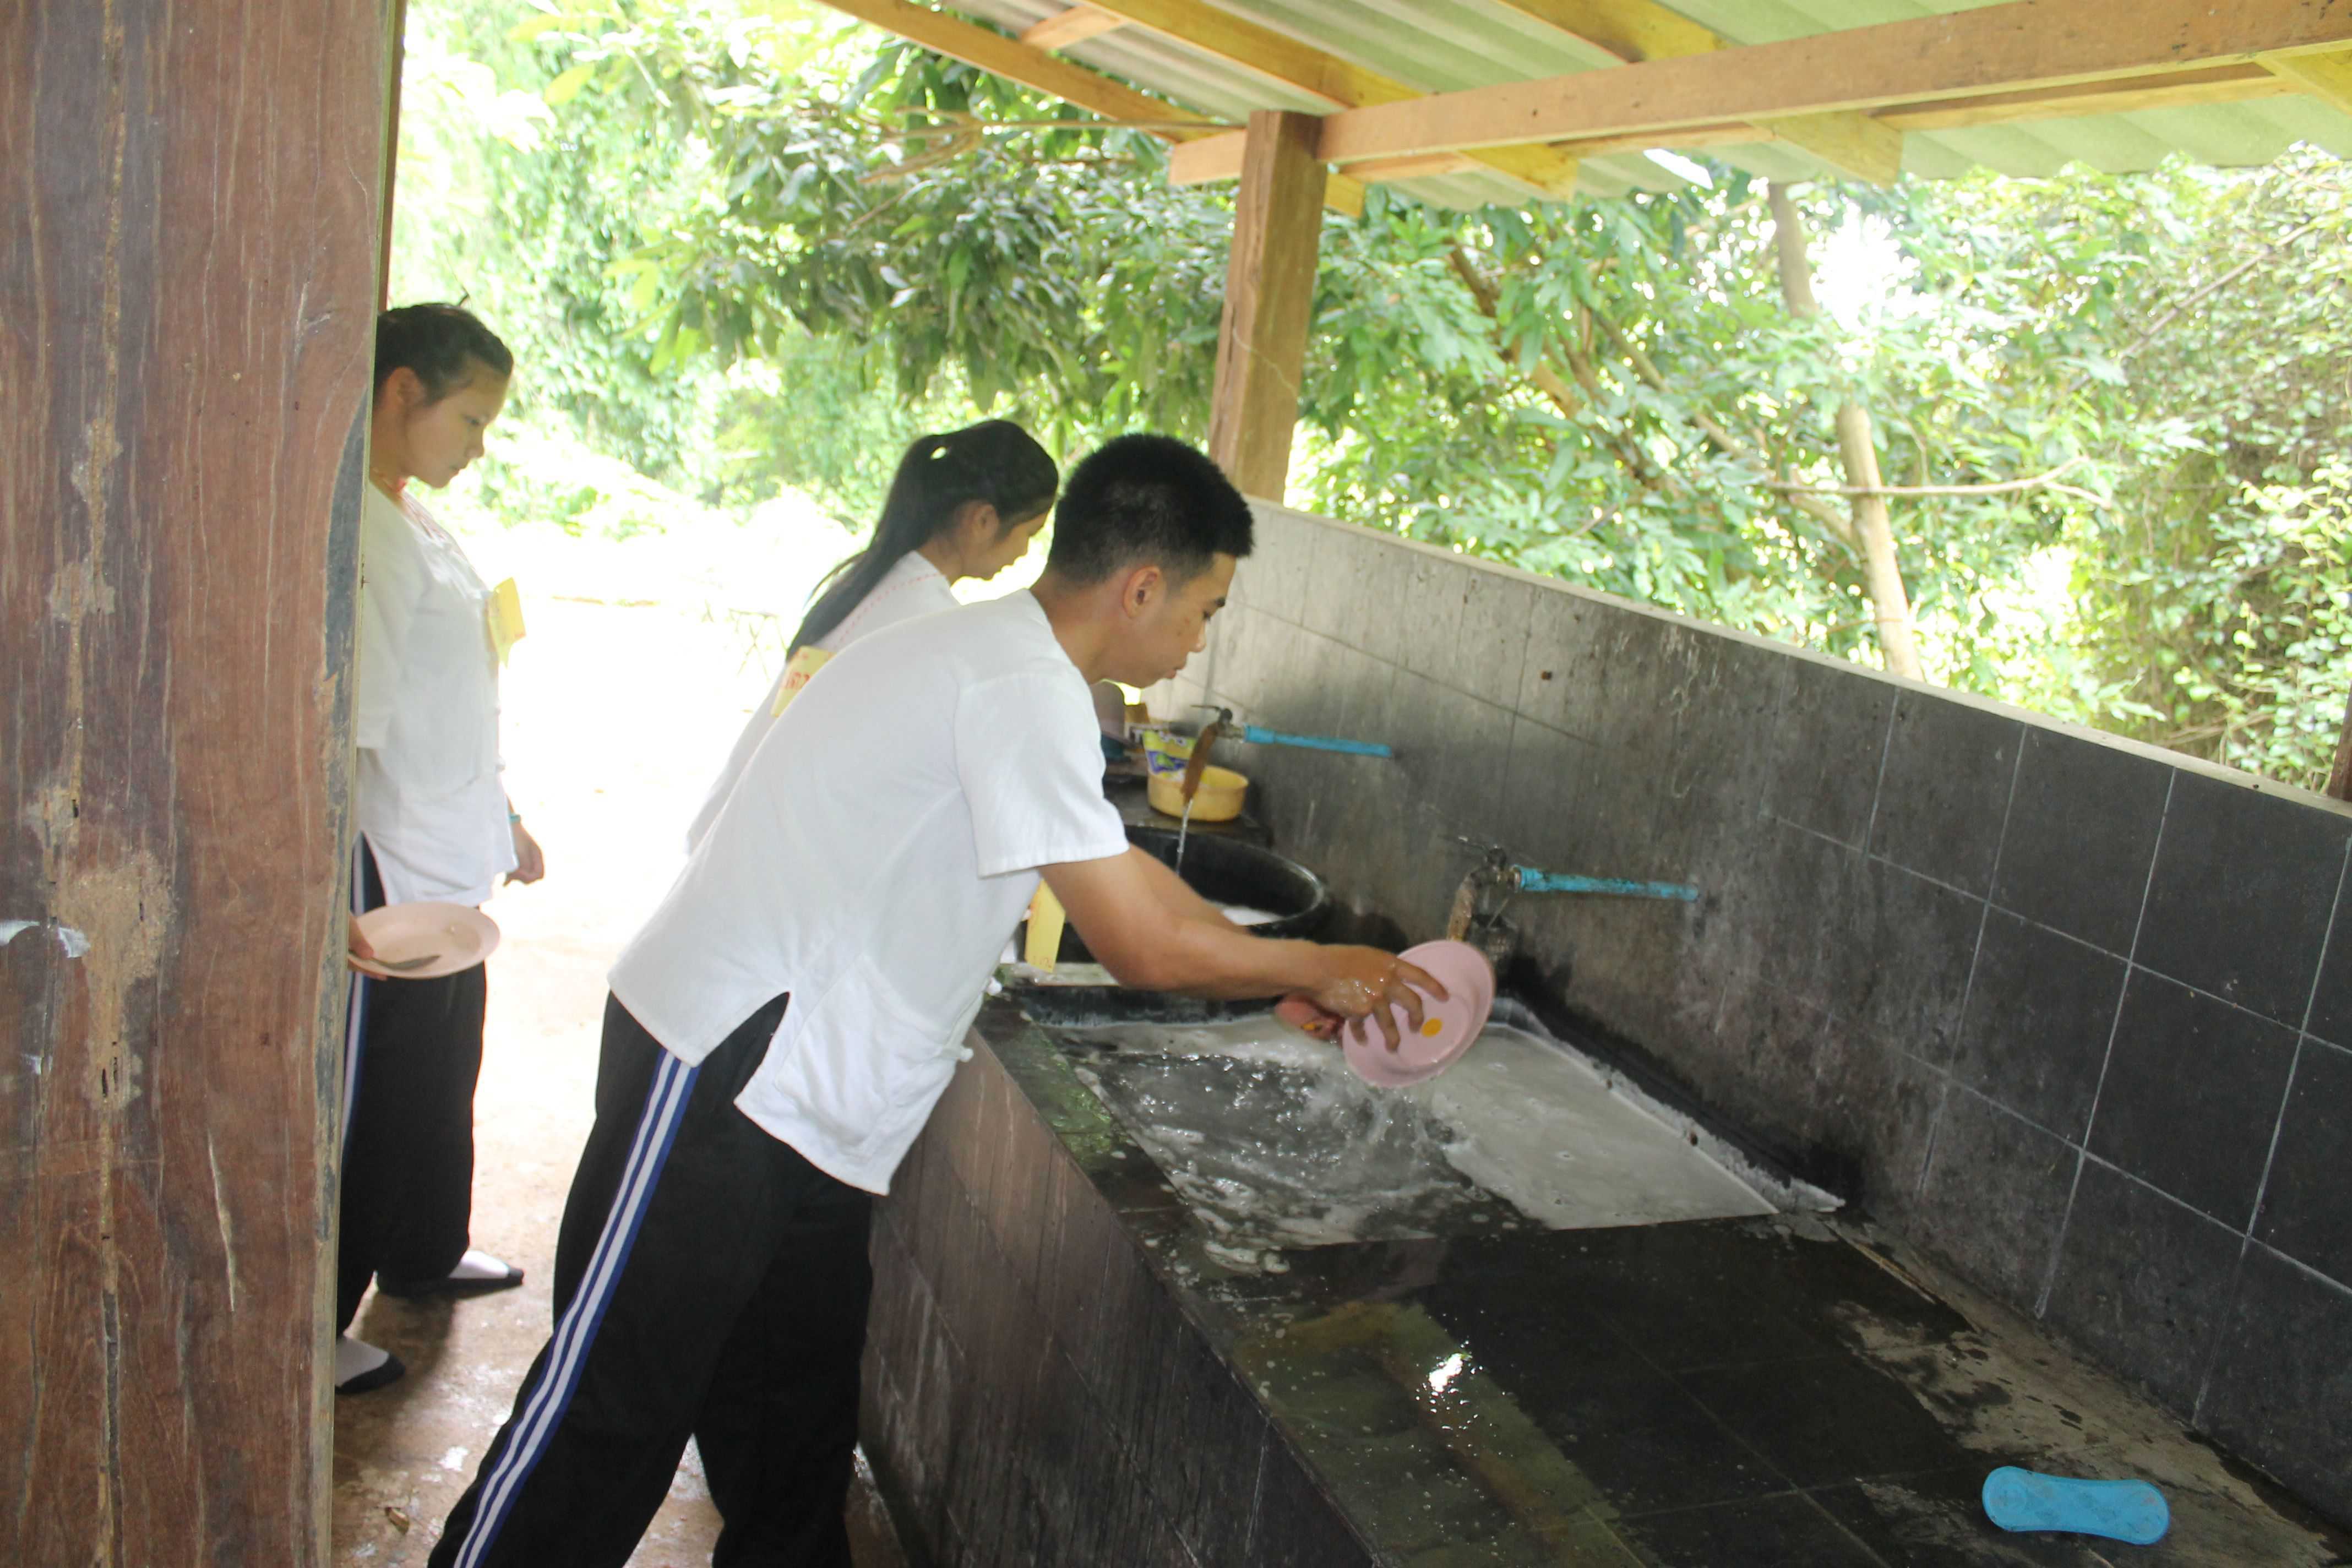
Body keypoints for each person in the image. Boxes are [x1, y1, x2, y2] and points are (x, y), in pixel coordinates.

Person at [425, 434, 1440, 1567]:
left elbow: (1121, 873)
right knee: (615, 1404)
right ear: (1142, 587)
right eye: (1204, 610)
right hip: (725, 1057)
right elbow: (1139, 941)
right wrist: (1313, 965)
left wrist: (1279, 961)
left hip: (804, 1092)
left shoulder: (1012, 661)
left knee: (793, 1414)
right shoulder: (1019, 684)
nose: (1199, 639)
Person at [337, 303, 545, 1396]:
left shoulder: (409, 515)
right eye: (470, 419)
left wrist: (502, 813)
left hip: (451, 846)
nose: (478, 446)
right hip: (393, 859)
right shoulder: (364, 535)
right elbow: (347, 731)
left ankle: (423, 1248)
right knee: (385, 1095)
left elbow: (457, 693)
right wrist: (330, 888)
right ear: (403, 391)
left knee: (442, 1076)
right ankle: (318, 1324)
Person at [684, 420, 1056, 853]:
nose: (1024, 553)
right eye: (1029, 534)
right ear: (983, 520)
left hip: (731, 840)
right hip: (767, 854)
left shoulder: (873, 584)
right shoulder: (929, 623)